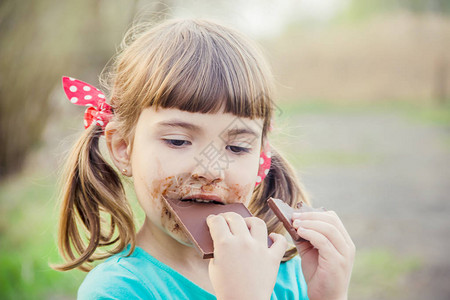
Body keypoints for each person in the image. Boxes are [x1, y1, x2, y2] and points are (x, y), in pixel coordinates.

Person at [54, 18, 355, 300]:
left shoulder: (286, 270)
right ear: (123, 147)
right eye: (178, 141)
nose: (209, 170)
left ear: (261, 157)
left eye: (237, 147)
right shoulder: (117, 291)